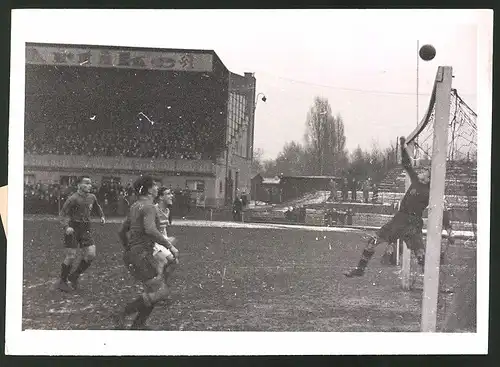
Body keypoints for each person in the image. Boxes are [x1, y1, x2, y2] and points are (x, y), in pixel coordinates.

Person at [345, 136, 430, 277]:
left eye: (425, 175)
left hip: (413, 222)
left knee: (419, 252)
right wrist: (402, 147)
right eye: (422, 173)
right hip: (399, 219)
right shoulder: (415, 181)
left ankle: (429, 278)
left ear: (429, 179)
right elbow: (406, 164)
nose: (421, 174)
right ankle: (360, 269)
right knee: (373, 241)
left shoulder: (429, 192)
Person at [113, 176, 179, 330]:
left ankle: (138, 324)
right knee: (160, 292)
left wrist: (128, 248)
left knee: (152, 291)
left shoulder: (135, 206)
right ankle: (123, 312)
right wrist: (170, 246)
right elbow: (150, 229)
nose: (157, 188)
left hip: (134, 254)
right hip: (143, 255)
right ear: (149, 190)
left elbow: (121, 231)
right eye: (155, 186)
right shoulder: (149, 206)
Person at [56, 176, 105, 292]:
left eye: (90, 183)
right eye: (86, 183)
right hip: (73, 228)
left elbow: (97, 207)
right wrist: (66, 226)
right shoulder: (73, 198)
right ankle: (62, 281)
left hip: (86, 228)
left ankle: (74, 276)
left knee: (91, 254)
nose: (89, 185)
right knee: (71, 256)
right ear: (79, 185)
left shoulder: (92, 197)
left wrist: (102, 216)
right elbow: (62, 214)